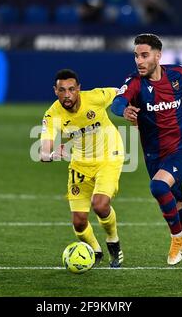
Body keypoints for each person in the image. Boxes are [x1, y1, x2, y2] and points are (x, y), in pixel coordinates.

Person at [111, 33, 182, 282]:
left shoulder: (177, 75)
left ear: (157, 56)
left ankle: (177, 237)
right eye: (136, 56)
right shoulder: (135, 83)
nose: (139, 61)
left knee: (158, 186)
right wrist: (126, 111)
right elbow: (117, 102)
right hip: (155, 159)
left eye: (144, 55)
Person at [40, 69, 125, 268]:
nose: (67, 95)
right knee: (79, 222)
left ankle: (113, 241)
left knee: (100, 204)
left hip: (109, 156)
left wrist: (130, 109)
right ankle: (95, 251)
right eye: (62, 90)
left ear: (79, 89)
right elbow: (43, 151)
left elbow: (122, 92)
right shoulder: (52, 115)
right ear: (55, 91)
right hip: (80, 163)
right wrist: (52, 155)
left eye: (71, 89)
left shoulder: (95, 97)